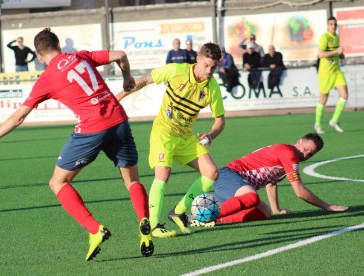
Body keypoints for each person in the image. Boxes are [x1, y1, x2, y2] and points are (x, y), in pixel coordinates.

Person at [0, 28, 153, 261]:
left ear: (37, 53)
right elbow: (120, 55)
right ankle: (144, 224)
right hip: (118, 120)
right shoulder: (80, 56)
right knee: (132, 180)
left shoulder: (47, 78)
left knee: (58, 182)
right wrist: (127, 78)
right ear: (58, 45)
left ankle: (95, 230)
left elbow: (18, 117)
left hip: (91, 129)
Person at [117, 43, 225, 238]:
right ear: (198, 59)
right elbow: (145, 80)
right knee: (163, 172)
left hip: (185, 136)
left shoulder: (212, 87)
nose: (209, 71)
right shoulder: (176, 70)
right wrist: (116, 99)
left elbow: (220, 121)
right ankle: (154, 224)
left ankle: (178, 211)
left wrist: (210, 135)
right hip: (164, 132)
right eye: (206, 65)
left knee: (211, 173)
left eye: (214, 67)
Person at [189, 133, 348, 227]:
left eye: (310, 154)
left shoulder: (290, 156)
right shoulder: (289, 153)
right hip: (230, 176)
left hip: (235, 185)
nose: (306, 155)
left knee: (264, 212)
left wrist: (276, 209)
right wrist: (327, 206)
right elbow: (299, 191)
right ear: (298, 141)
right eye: (306, 149)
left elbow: (271, 182)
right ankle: (205, 217)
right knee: (251, 197)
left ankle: (213, 218)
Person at [315, 16, 348, 134]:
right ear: (327, 26)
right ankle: (317, 124)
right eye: (331, 24)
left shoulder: (337, 37)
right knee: (324, 98)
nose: (333, 26)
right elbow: (321, 54)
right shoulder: (325, 37)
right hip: (325, 73)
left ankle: (334, 120)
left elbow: (337, 54)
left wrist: (341, 55)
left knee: (344, 95)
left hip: (336, 71)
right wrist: (336, 52)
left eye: (335, 24)